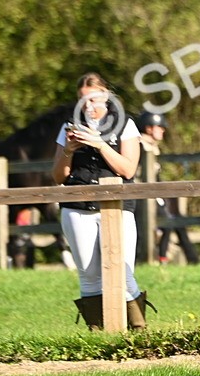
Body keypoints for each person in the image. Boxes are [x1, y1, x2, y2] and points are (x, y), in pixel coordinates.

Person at [52, 74, 152, 330]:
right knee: (89, 274)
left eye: (93, 99)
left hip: (117, 206)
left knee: (123, 270)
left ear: (106, 96)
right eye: (82, 100)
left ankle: (138, 330)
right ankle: (98, 332)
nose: (87, 106)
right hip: (77, 207)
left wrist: (100, 145)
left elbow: (128, 169)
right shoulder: (69, 126)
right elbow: (58, 176)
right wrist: (69, 150)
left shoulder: (125, 124)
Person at [136, 111, 200, 265]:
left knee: (174, 219)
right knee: (168, 220)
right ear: (149, 128)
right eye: (160, 127)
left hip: (153, 193)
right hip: (141, 195)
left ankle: (191, 259)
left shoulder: (151, 148)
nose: (163, 130)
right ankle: (162, 259)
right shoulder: (141, 147)